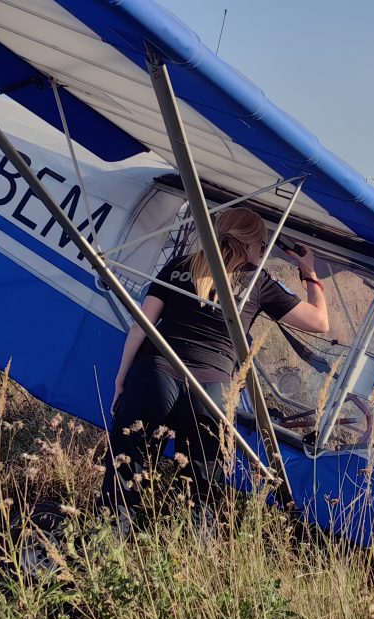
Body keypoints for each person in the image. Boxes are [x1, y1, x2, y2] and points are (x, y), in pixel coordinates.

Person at [101, 207, 329, 531]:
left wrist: (121, 379)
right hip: (211, 391)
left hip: (157, 372)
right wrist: (309, 272)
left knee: (127, 467)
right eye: (263, 248)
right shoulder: (257, 281)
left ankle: (112, 540)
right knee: (201, 489)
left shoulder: (179, 266)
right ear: (253, 245)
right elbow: (320, 322)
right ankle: (192, 558)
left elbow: (141, 327)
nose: (262, 254)